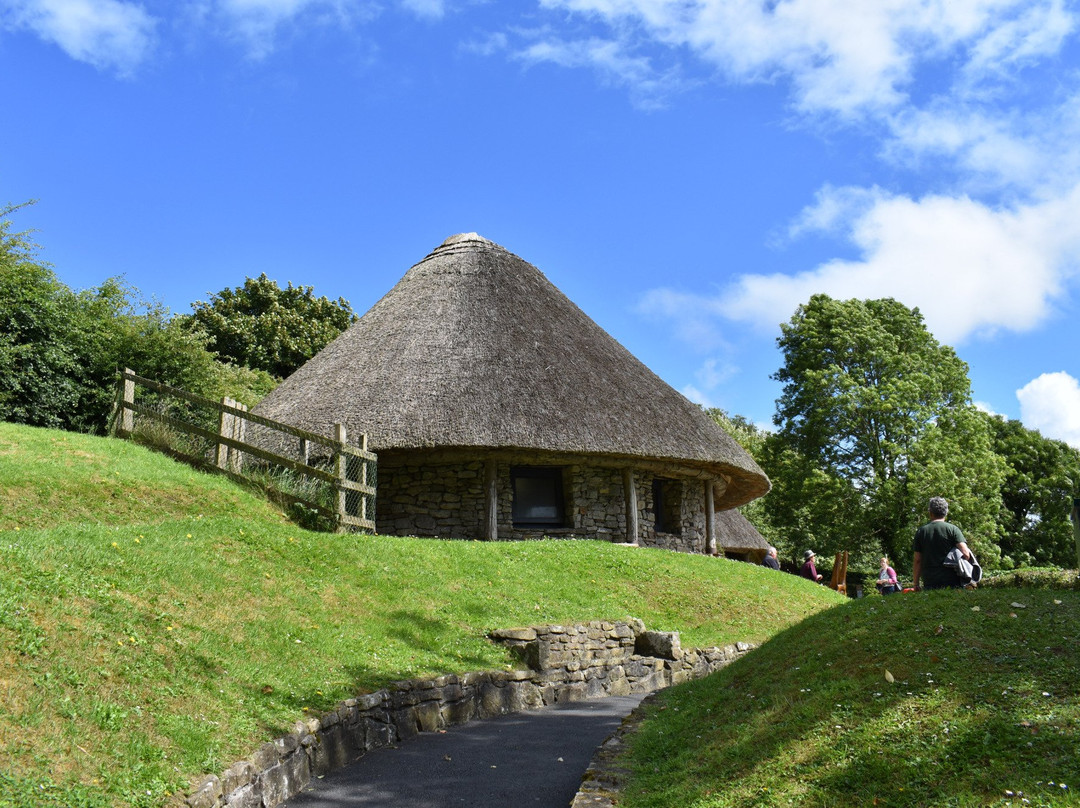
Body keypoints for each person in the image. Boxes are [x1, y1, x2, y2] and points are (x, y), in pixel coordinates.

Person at [912, 496, 974, 591]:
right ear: (946, 512)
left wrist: (916, 583)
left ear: (930, 513)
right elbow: (966, 554)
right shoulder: (953, 529)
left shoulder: (921, 532)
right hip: (953, 581)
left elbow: (917, 560)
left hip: (930, 582)